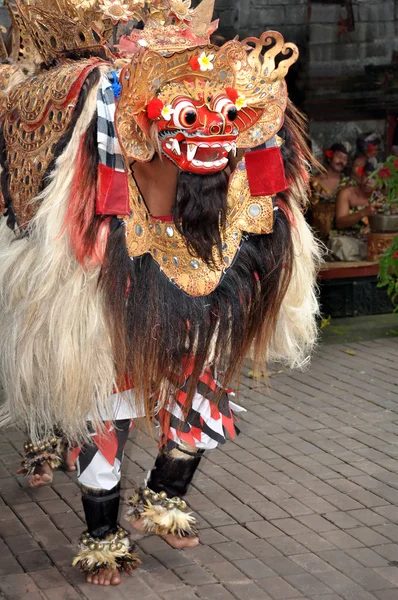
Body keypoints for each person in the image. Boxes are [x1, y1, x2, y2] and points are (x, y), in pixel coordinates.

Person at [0, 0, 321, 587]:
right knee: (101, 392)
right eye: (191, 121)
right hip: (113, 272)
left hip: (200, 269)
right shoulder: (110, 126)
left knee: (203, 384)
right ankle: (100, 534)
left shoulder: (249, 158)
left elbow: (274, 197)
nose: (210, 137)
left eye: (225, 119)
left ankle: (165, 495)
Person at [329, 162, 383, 261]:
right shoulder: (346, 193)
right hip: (346, 239)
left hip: (369, 242)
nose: (369, 181)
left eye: (374, 178)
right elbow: (340, 223)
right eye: (367, 176)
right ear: (361, 176)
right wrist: (362, 213)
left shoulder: (380, 198)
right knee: (340, 246)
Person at [310, 142, 351, 242]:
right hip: (315, 233)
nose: (341, 161)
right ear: (329, 156)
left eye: (345, 159)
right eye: (339, 156)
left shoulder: (348, 184)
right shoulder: (314, 181)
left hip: (339, 237)